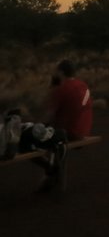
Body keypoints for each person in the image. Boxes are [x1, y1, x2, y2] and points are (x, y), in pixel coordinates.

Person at [35, 60, 93, 193]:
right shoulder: (84, 86)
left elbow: (48, 115)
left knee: (28, 142)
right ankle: (51, 173)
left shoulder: (61, 89)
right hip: (83, 131)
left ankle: (51, 171)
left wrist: (36, 127)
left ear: (61, 72)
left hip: (67, 133)